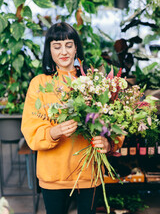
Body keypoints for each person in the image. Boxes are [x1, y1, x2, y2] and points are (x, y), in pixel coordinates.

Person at [21, 22, 124, 214]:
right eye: (57, 46)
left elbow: (115, 122)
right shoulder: (40, 84)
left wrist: (109, 143)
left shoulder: (95, 82)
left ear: (76, 47)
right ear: (49, 50)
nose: (63, 51)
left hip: (89, 174)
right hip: (53, 176)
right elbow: (30, 129)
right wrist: (54, 132)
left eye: (69, 45)